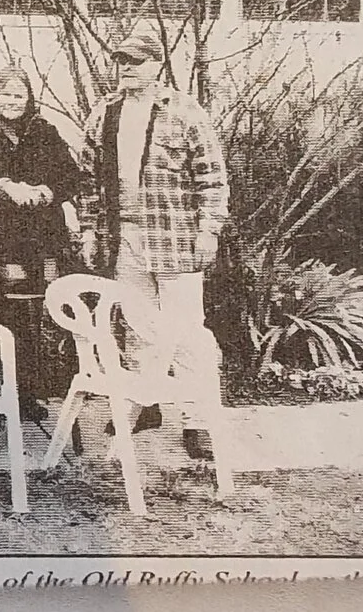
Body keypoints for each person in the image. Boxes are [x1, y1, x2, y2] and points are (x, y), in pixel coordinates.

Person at [77, 27, 229, 458]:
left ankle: (198, 422)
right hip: (124, 236)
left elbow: (212, 177)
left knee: (186, 331)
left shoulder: (185, 111)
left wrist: (208, 229)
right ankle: (145, 404)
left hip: (176, 238)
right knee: (137, 325)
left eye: (136, 61)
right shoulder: (106, 112)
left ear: (157, 65)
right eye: (122, 60)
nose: (126, 68)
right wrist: (89, 228)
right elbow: (87, 178)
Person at [0, 67, 88, 412]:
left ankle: (44, 386)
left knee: (48, 307)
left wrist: (47, 191)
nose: (12, 102)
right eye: (6, 94)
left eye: (19, 95)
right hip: (3, 238)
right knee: (12, 308)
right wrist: (5, 185)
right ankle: (12, 391)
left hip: (45, 237)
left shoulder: (44, 131)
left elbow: (70, 174)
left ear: (29, 99)